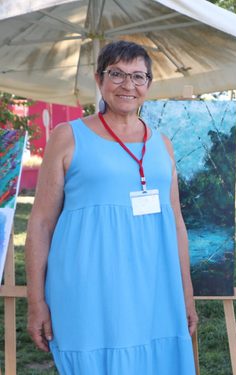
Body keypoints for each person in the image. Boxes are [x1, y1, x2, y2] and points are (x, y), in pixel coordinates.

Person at [25, 40, 197, 374]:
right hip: (89, 289)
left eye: (138, 76)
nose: (128, 85)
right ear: (98, 79)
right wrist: (35, 301)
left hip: (156, 290)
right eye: (116, 74)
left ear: (148, 84)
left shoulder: (163, 144)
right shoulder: (67, 135)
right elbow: (41, 224)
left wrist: (186, 294)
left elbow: (176, 223)